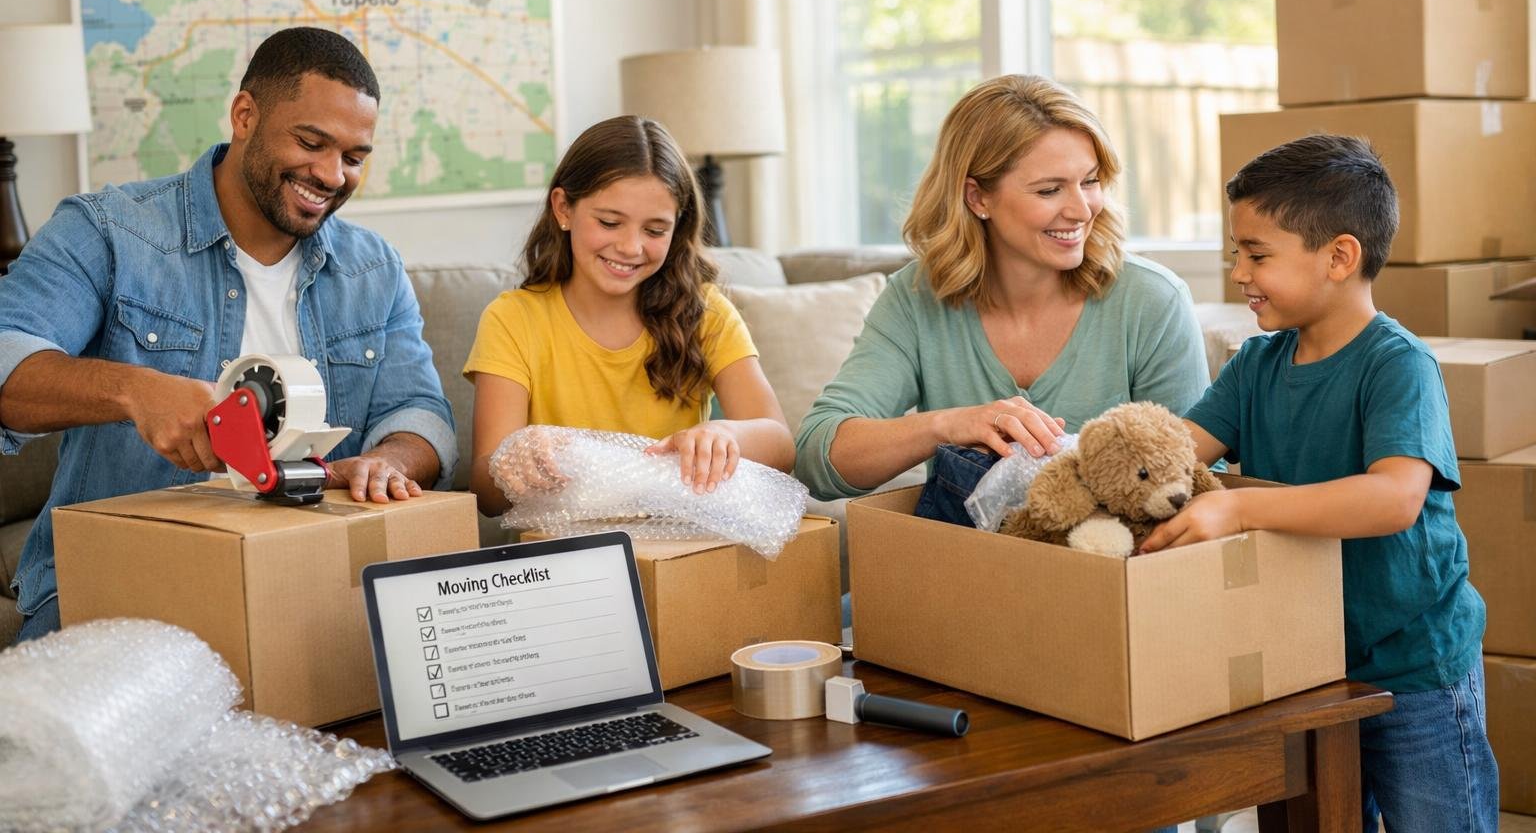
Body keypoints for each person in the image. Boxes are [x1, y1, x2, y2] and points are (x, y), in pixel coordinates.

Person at [0, 27, 458, 642]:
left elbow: (420, 413)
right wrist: (136, 391)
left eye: (353, 158)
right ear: (245, 115)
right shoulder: (107, 231)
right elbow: (8, 361)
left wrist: (388, 461)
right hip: (119, 587)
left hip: (303, 588)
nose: (331, 174)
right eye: (311, 142)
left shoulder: (374, 270)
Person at [1140, 134, 1497, 832]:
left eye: (1256, 254)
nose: (1239, 272)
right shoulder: (1255, 365)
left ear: (1339, 257)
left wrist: (1241, 508)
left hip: (1413, 667)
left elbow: (1394, 498)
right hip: (1302, 662)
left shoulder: (1398, 365)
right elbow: (1175, 454)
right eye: (1235, 254)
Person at [793, 74, 1210, 523]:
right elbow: (818, 458)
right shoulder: (916, 298)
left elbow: (1195, 479)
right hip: (965, 570)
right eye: (1049, 190)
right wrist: (947, 425)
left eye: (1089, 181)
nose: (1082, 208)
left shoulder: (1151, 300)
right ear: (978, 198)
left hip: (1113, 572)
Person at [464, 115, 794, 516]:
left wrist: (725, 434)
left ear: (677, 230)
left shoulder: (705, 313)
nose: (630, 246)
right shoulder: (512, 320)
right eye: (609, 222)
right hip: (565, 557)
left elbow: (780, 445)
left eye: (655, 230)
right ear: (563, 208)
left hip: (679, 546)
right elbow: (485, 493)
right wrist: (514, 458)